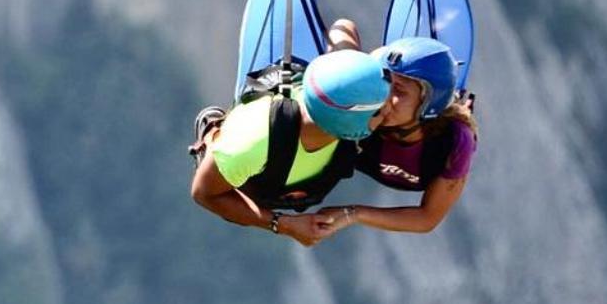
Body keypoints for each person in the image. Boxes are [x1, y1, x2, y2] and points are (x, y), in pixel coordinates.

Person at [189, 48, 393, 246]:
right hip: (252, 172)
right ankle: (213, 141)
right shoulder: (251, 142)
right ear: (351, 122)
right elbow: (204, 193)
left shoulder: (341, 109)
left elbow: (346, 29)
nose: (391, 108)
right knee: (241, 183)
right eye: (380, 109)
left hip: (287, 169)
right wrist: (283, 224)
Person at [313, 26, 479, 237]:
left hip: (420, 162)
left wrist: (352, 214)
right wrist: (344, 64)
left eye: (399, 91)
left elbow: (427, 218)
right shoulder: (365, 102)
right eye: (386, 82)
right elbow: (344, 27)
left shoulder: (455, 141)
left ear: (428, 104)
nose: (385, 95)